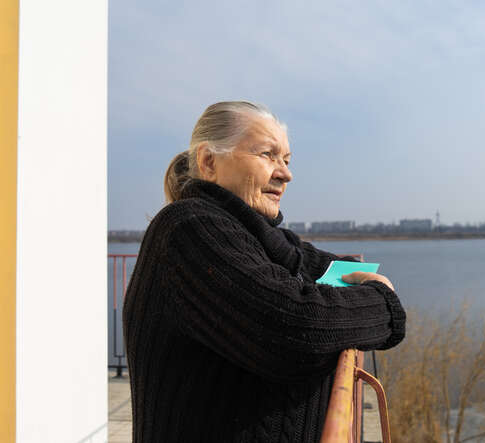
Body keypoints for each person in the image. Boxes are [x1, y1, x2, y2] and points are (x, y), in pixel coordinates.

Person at [123, 101, 406, 443]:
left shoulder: (259, 237)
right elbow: (294, 326)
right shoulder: (189, 228)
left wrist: (358, 283)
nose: (285, 174)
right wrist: (383, 304)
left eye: (286, 160)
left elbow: (330, 268)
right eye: (267, 155)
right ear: (209, 162)